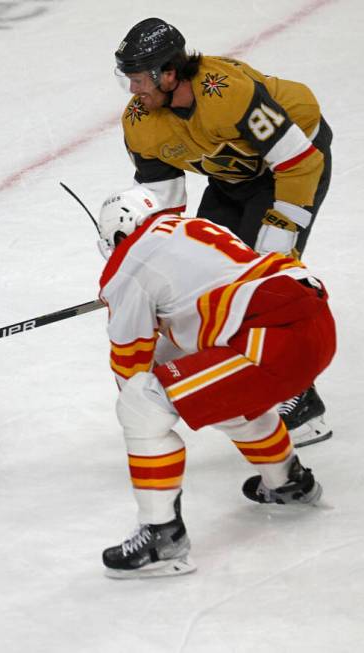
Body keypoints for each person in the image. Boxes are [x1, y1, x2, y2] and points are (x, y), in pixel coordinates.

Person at [113, 17, 333, 447]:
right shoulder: (141, 120)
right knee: (206, 276)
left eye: (140, 79)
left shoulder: (227, 93)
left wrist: (279, 233)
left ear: (169, 73)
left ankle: (303, 401)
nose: (134, 91)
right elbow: (164, 206)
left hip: (292, 162)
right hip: (231, 178)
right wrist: (151, 263)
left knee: (264, 283)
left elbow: (298, 162)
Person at [95, 187, 335, 578]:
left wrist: (141, 416)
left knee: (142, 405)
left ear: (119, 233)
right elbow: (199, 324)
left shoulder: (129, 264)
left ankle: (162, 537)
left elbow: (130, 361)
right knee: (223, 393)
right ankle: (288, 483)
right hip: (311, 327)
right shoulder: (194, 228)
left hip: (268, 342)